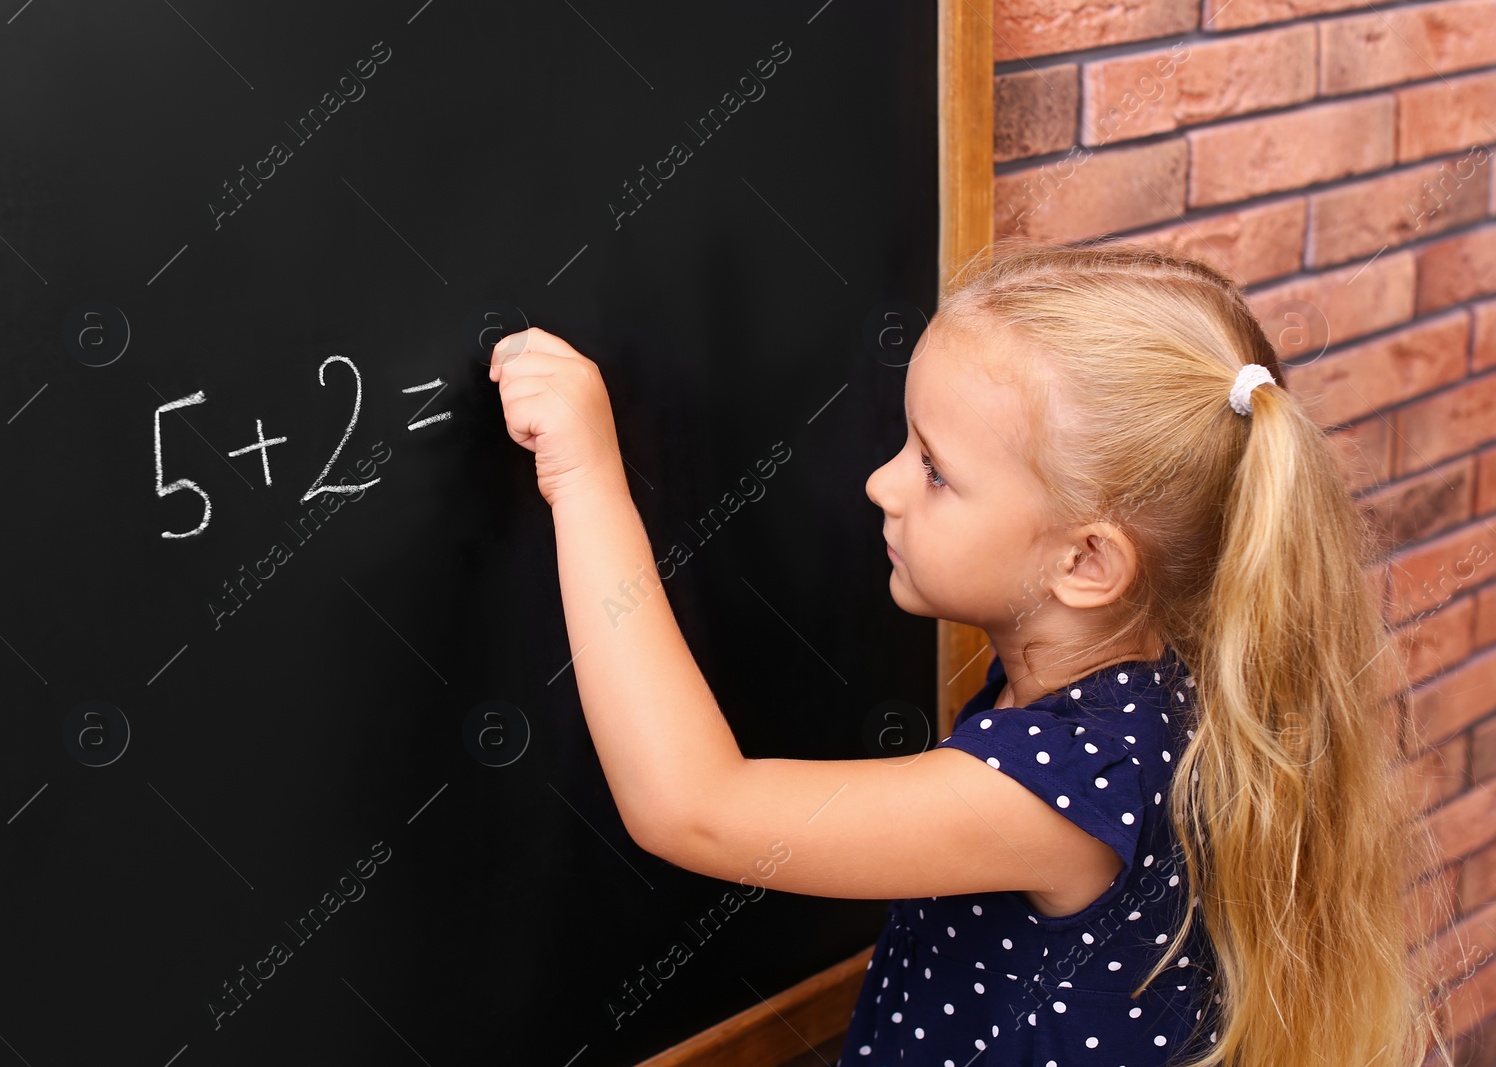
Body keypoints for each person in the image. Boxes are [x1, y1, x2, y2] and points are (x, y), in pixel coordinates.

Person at [487, 239, 1446, 1066]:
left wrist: (582, 473)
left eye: (935, 470)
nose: (880, 482)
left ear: (1084, 560)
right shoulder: (1152, 682)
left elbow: (691, 806)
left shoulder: (1071, 780)